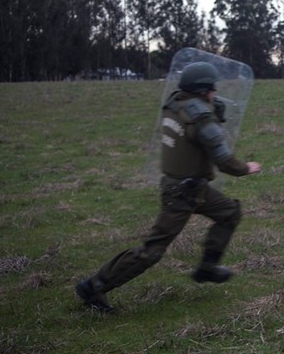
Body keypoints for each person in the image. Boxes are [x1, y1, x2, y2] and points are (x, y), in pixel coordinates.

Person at [75, 62, 262, 313]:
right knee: (151, 252)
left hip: (193, 187)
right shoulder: (200, 116)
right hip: (181, 194)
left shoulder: (176, 104)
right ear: (203, 90)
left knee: (229, 212)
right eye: (212, 89)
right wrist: (245, 168)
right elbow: (223, 159)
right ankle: (93, 286)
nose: (215, 93)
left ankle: (207, 268)